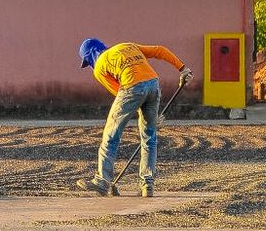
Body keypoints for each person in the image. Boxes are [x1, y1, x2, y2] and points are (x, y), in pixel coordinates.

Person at [76, 38, 193, 197]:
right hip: (153, 84)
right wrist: (183, 68)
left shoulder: (99, 67)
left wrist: (139, 108)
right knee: (149, 138)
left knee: (111, 136)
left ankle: (102, 181)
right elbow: (160, 49)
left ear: (90, 56)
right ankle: (147, 185)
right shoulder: (127, 46)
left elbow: (121, 93)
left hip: (130, 87)